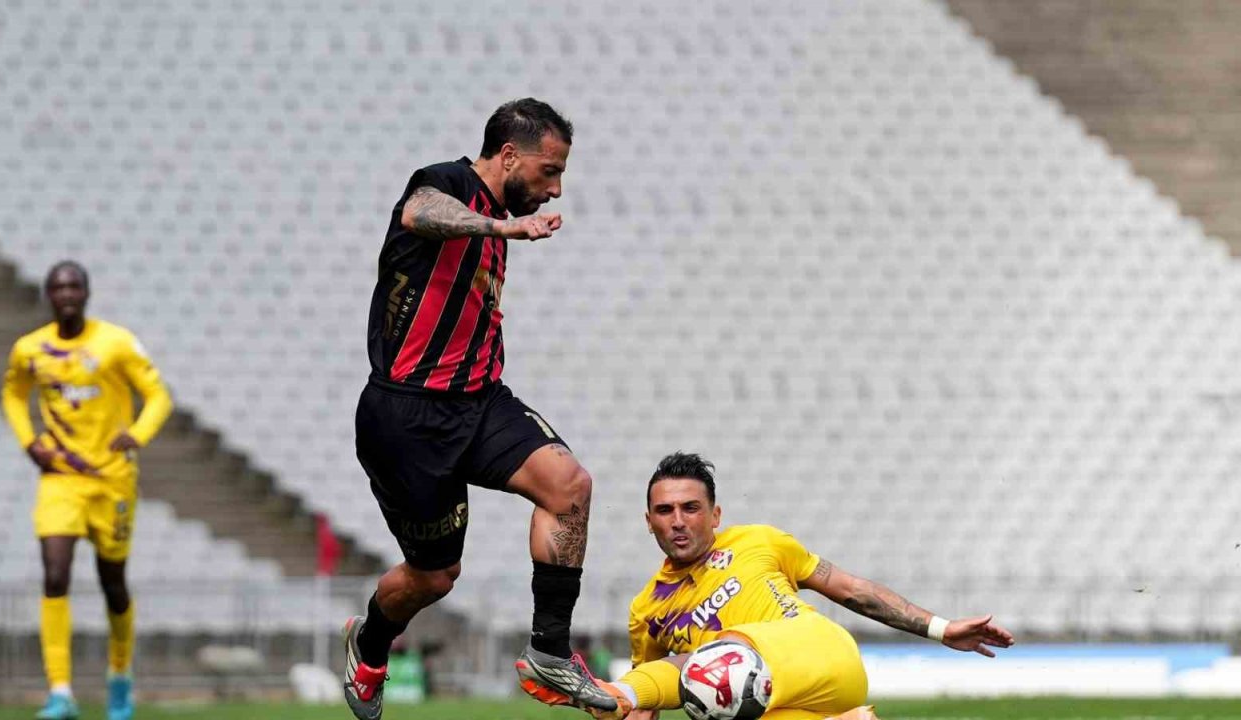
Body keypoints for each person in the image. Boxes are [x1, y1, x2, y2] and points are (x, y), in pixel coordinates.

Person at [343, 98, 616, 719]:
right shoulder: (448, 183)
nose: (556, 188)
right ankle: (370, 642)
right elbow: (420, 212)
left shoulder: (501, 216)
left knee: (569, 486)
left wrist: (506, 228)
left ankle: (550, 649)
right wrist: (501, 228)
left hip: (480, 399)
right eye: (549, 171)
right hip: (406, 415)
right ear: (510, 155)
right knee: (435, 577)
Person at [553, 452, 1014, 720]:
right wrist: (614, 705)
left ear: (715, 515)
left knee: (715, 662)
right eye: (665, 511)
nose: (678, 521)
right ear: (647, 522)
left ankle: (619, 688)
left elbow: (849, 589)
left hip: (821, 656)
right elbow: (648, 710)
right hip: (770, 702)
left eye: (690, 508)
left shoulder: (760, 541)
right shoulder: (646, 610)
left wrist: (940, 628)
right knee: (712, 705)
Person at [1, 260, 173, 720]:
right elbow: (13, 395)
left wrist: (136, 435)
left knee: (112, 585)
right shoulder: (30, 349)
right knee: (54, 575)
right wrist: (29, 441)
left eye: (74, 285)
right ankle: (60, 692)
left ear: (87, 292)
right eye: (59, 287)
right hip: (60, 479)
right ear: (48, 295)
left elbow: (159, 396)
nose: (67, 293)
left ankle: (120, 678)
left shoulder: (115, 343)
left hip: (112, 480)